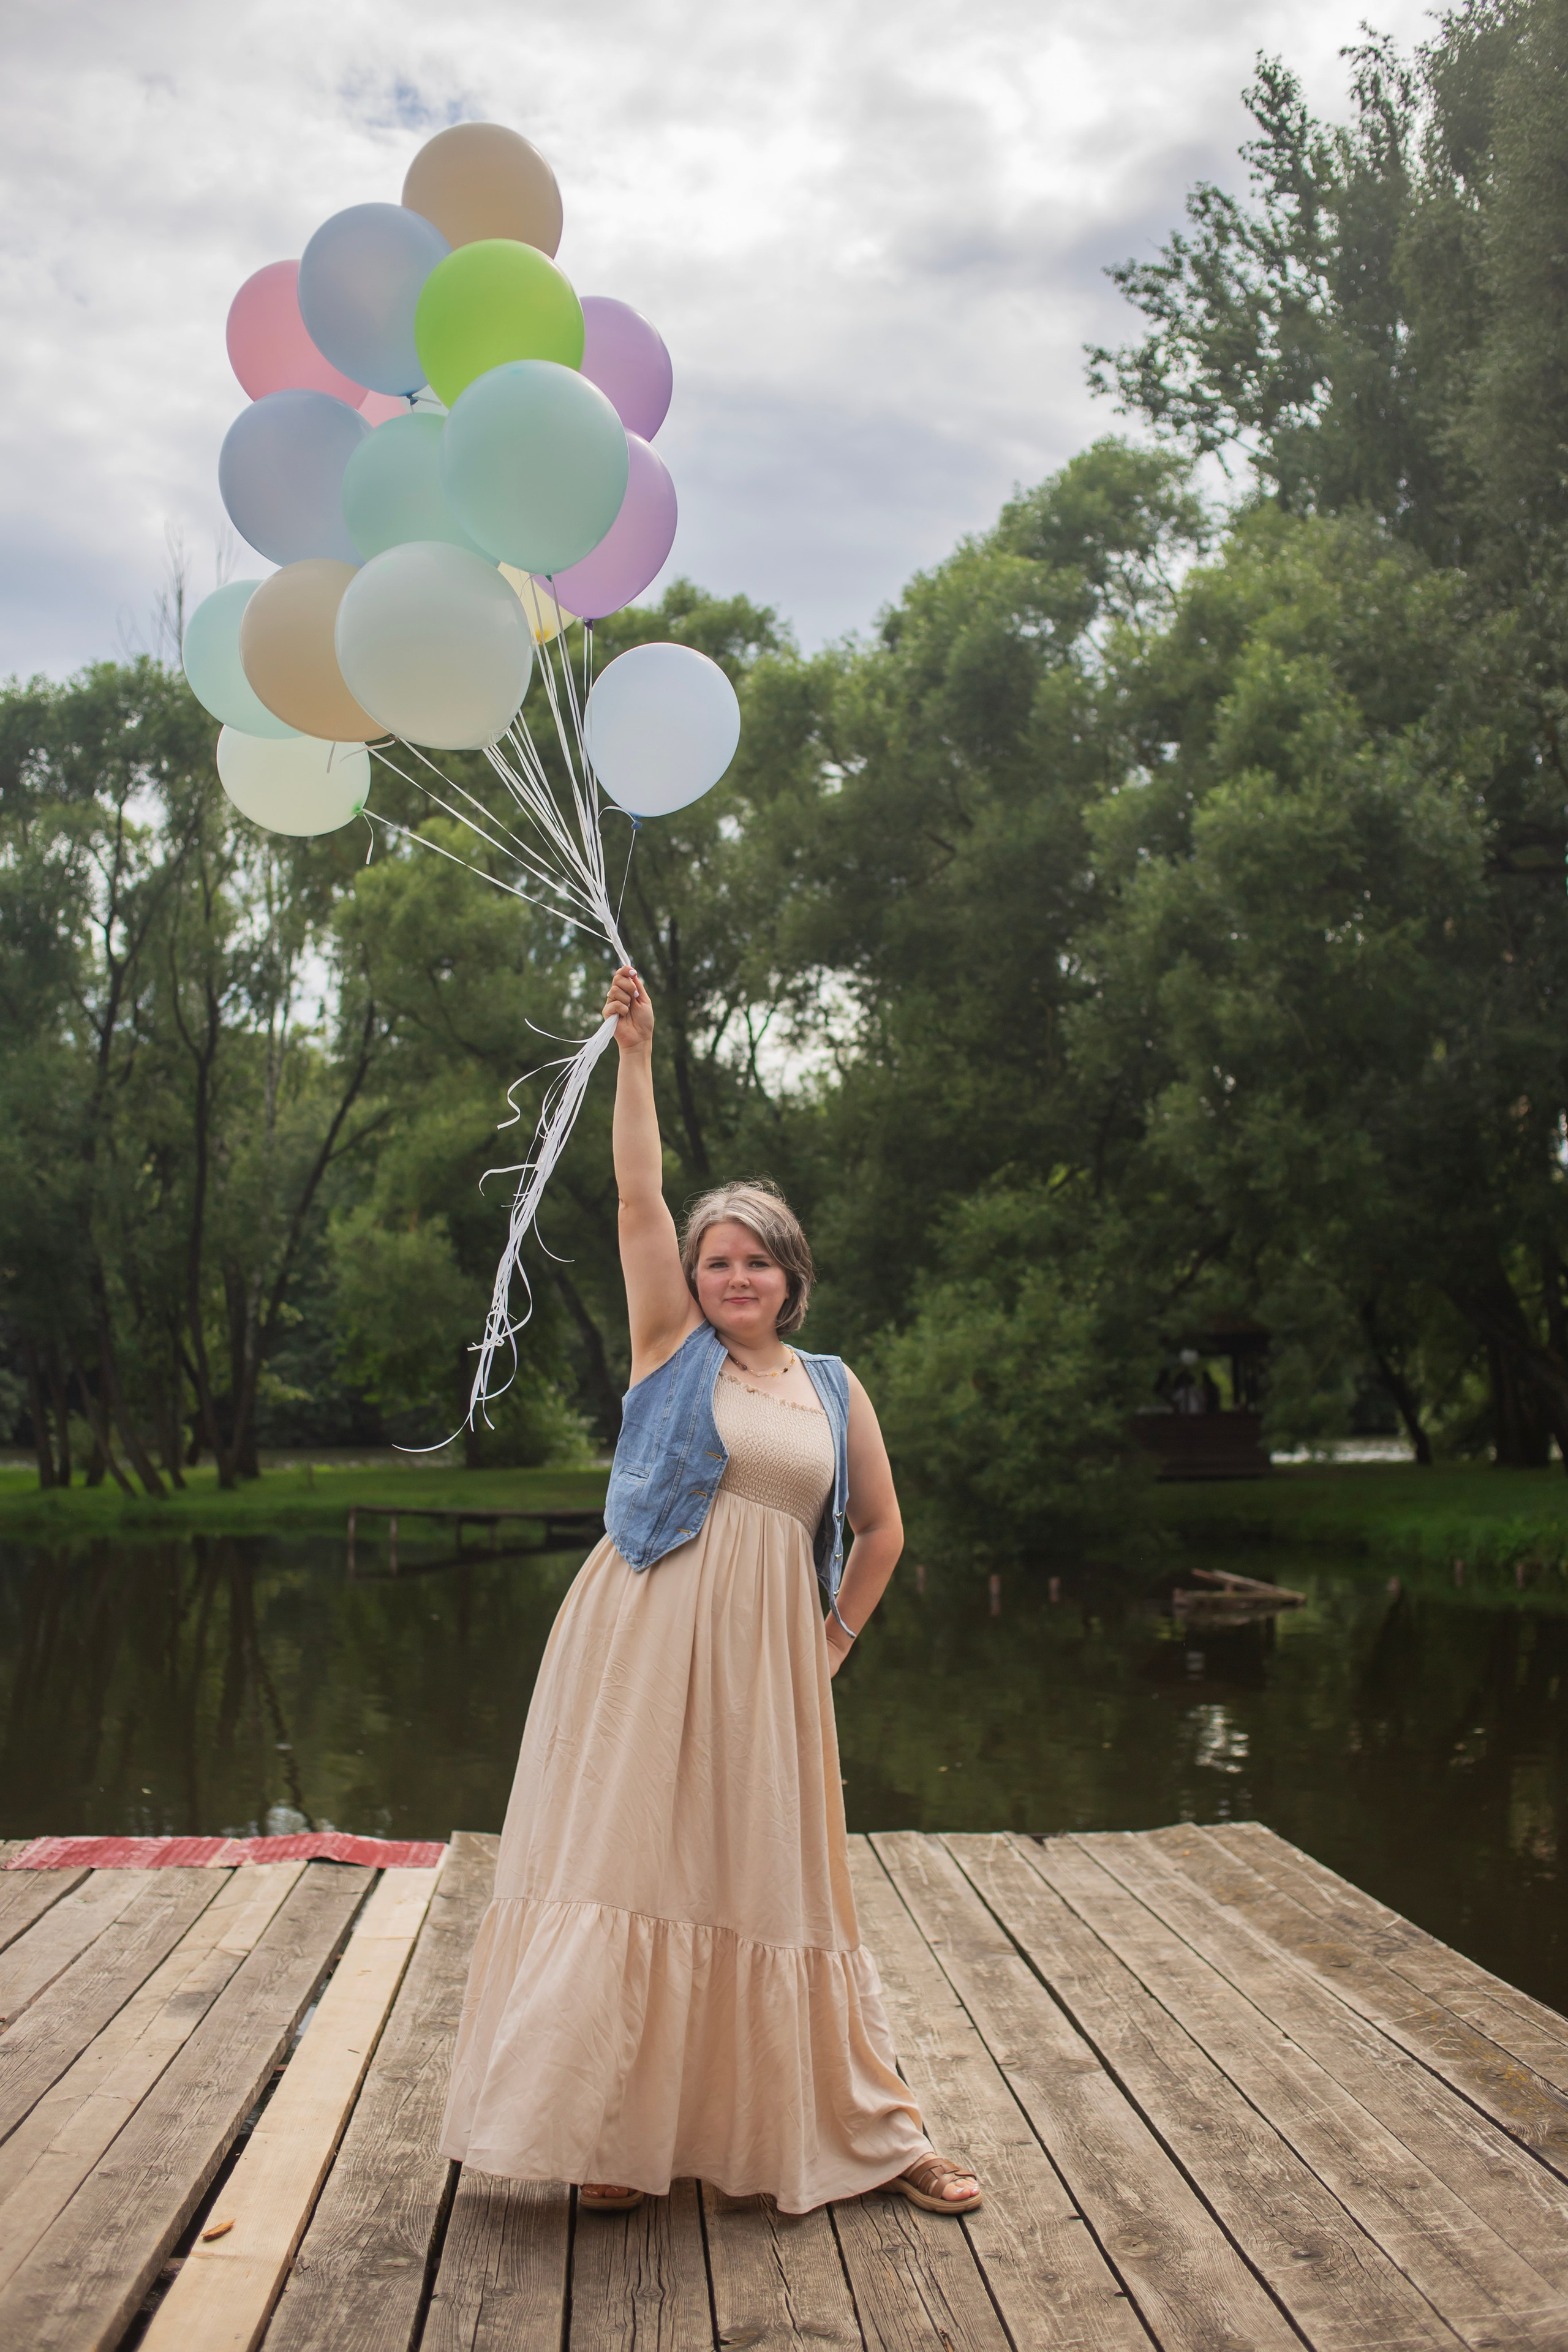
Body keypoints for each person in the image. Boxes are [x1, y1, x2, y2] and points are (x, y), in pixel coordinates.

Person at [439, 963, 981, 2218]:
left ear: (791, 1277)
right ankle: (616, 2131)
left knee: (769, 1880)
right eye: (715, 1262)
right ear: (691, 1279)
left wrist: (829, 1639)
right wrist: (634, 1058)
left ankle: (872, 2125)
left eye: (756, 1265)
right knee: (629, 1865)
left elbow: (882, 1529)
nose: (733, 1279)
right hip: (638, 1635)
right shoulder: (668, 1347)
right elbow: (636, 1192)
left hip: (768, 1664)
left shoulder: (834, 1390)